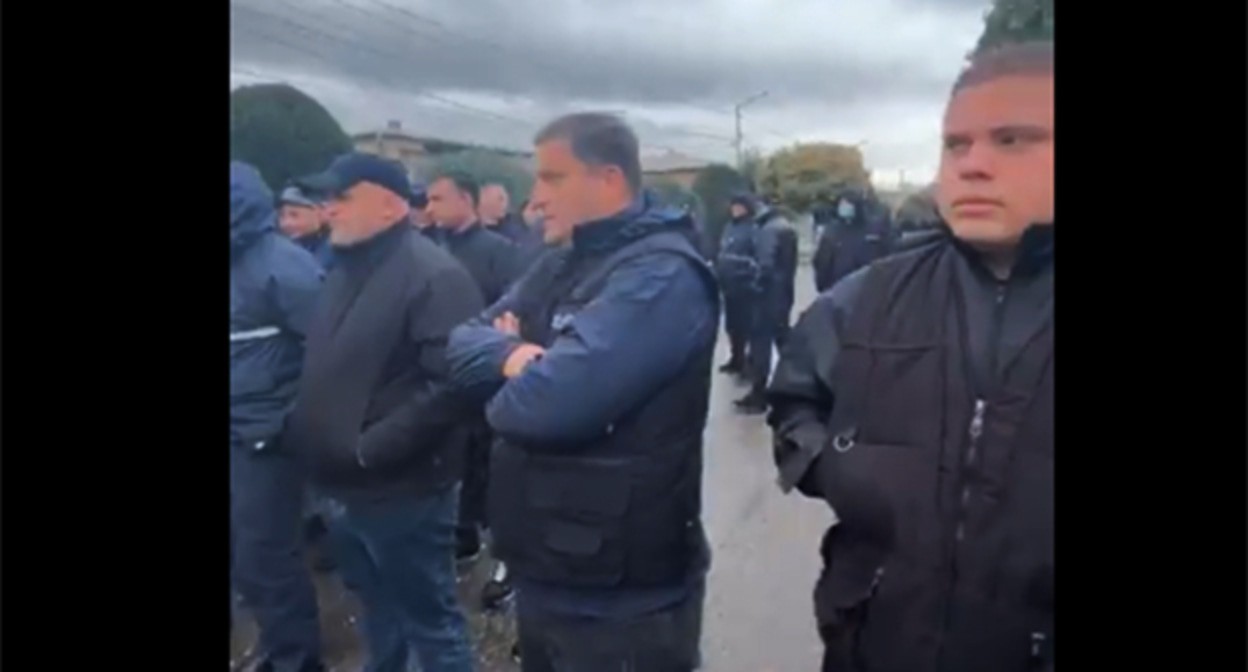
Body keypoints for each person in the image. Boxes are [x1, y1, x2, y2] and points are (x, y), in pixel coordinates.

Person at [768, 41, 1054, 672]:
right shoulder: (867, 298)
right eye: (957, 144)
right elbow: (793, 402)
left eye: (1014, 140)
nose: (973, 165)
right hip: (875, 643)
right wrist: (838, 466)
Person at [447, 112, 718, 672]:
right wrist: (519, 358)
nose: (535, 197)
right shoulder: (563, 263)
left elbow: (542, 408)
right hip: (549, 561)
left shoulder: (660, 276)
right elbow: (460, 345)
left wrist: (513, 376)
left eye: (552, 178)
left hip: (621, 594)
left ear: (609, 180)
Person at [286, 153, 482, 672]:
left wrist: (371, 449)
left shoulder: (435, 276)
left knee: (430, 624)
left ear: (392, 206)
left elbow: (453, 384)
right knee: (378, 611)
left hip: (403, 492)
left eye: (342, 197)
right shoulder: (343, 267)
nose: (329, 208)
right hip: (340, 487)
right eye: (325, 198)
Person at [230, 162, 325, 672]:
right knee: (242, 557)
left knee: (266, 557)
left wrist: (288, 420)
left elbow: (328, 351)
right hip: (235, 430)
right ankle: (273, 645)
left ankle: (296, 659)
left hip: (266, 438)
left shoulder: (284, 267)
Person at [734, 197, 787, 415]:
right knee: (778, 340)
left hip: (766, 296)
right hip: (781, 294)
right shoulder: (783, 226)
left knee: (761, 345)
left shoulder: (768, 231)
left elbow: (765, 265)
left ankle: (759, 395)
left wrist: (753, 284)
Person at [715, 194, 762, 378]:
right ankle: (736, 359)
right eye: (733, 206)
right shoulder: (729, 228)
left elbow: (756, 256)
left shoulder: (752, 228)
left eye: (739, 206)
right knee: (732, 325)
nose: (735, 209)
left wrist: (742, 266)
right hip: (729, 284)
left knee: (746, 325)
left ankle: (749, 363)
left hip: (745, 284)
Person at [810, 189, 890, 292]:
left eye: (847, 204)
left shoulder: (872, 231)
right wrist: (822, 285)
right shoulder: (832, 231)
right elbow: (822, 261)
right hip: (837, 286)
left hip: (866, 286)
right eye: (842, 204)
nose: (844, 207)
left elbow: (885, 254)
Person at [278, 184, 335, 269]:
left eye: (294, 215)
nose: (286, 223)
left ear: (319, 212)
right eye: (282, 216)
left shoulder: (337, 250)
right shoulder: (283, 252)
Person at [480, 182, 535, 246]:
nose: (505, 204)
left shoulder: (515, 226)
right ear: (484, 198)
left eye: (506, 200)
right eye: (500, 199)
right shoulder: (470, 227)